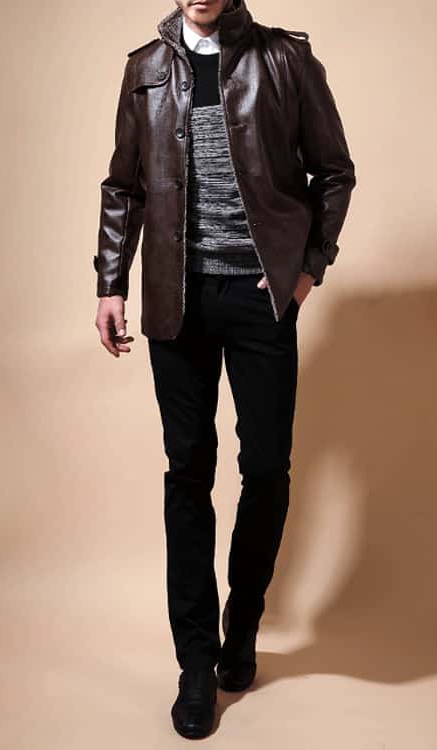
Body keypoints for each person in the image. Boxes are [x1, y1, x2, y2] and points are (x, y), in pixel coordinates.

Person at [93, 0, 356, 739]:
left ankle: (242, 629)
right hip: (176, 298)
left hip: (260, 297)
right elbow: (123, 187)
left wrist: (306, 272)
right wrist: (111, 283)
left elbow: (334, 172)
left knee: (267, 469)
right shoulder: (145, 69)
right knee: (188, 473)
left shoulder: (285, 60)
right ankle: (195, 665)